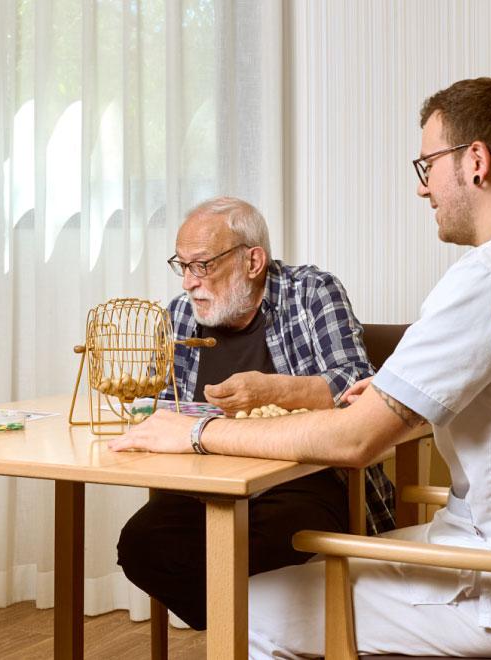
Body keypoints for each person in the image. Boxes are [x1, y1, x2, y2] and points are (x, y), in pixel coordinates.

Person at [110, 78, 491, 656]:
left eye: (428, 164)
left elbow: (357, 442)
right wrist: (391, 397)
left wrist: (197, 431)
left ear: (477, 162)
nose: (423, 188)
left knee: (246, 605)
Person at [116, 196, 395, 631]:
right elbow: (159, 409)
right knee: (140, 544)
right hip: (207, 485)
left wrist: (274, 389)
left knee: (260, 544)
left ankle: (259, 635)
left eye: (203, 265)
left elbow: (359, 384)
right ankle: (255, 633)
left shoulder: (312, 293)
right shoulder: (178, 317)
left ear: (253, 261)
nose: (190, 283)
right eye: (183, 266)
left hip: (306, 482)